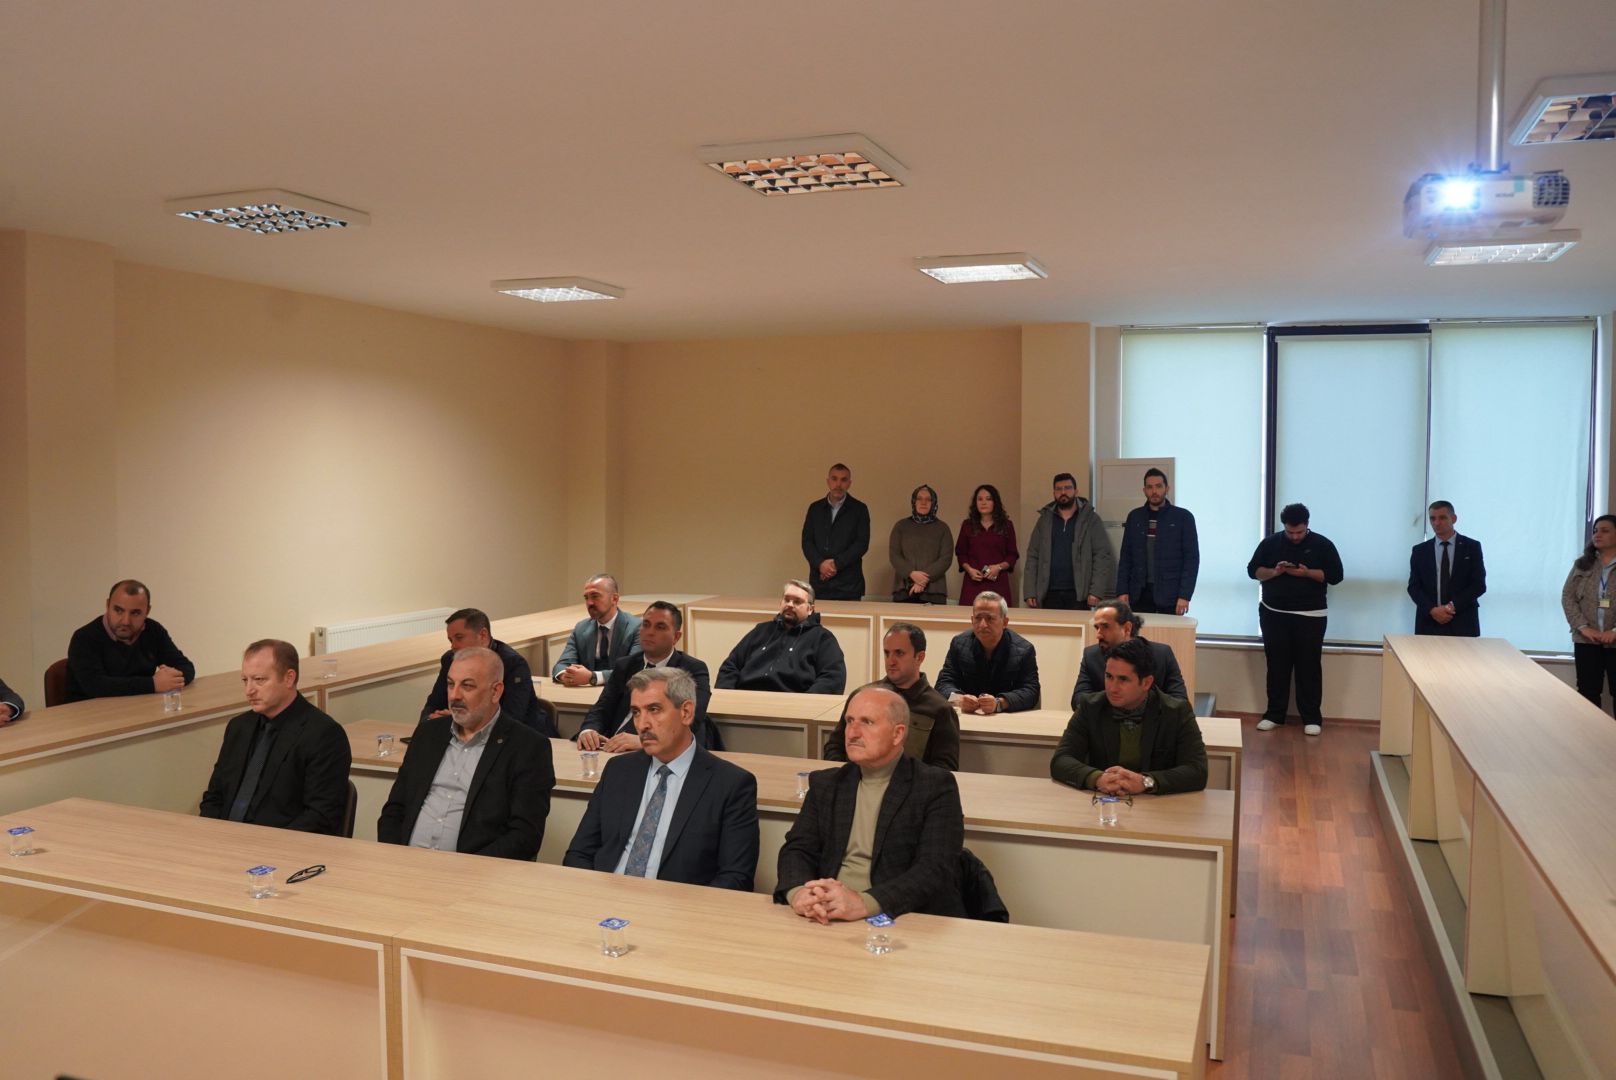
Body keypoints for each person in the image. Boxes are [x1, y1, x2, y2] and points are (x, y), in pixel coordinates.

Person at [776, 685, 964, 921]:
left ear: (897, 734)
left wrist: (864, 903)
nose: (852, 733)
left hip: (900, 916)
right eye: (849, 721)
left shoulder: (935, 786)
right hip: (826, 912)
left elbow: (935, 869)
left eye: (867, 722)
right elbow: (797, 849)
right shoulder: (827, 784)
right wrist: (800, 894)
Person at [564, 667, 759, 890]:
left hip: (679, 905)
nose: (642, 725)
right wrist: (591, 895)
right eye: (636, 712)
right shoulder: (618, 770)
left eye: (654, 710)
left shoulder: (731, 784)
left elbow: (736, 877)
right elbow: (579, 853)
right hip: (605, 895)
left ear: (686, 712)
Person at [379, 646, 554, 859]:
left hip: (475, 871)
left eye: (467, 686)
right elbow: (394, 810)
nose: (454, 696)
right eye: (450, 684)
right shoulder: (428, 735)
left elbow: (525, 836)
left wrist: (468, 869)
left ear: (495, 691)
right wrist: (394, 857)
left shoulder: (528, 747)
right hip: (406, 863)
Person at [199, 640, 351, 834]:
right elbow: (214, 797)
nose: (249, 690)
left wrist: (263, 845)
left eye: (259, 680)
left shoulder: (323, 734)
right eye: (245, 680)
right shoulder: (239, 727)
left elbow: (320, 817)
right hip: (224, 840)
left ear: (289, 678)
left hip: (282, 845)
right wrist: (208, 834)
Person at [1051, 637, 1208, 795]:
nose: (1112, 688)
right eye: (1109, 677)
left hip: (1157, 804)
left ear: (1146, 683)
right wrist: (1097, 778)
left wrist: (1146, 782)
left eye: (1123, 679)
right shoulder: (1090, 707)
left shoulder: (1176, 712)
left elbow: (1197, 770)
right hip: (1104, 801)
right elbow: (1061, 760)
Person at [1247, 503, 1344, 736]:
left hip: (1311, 615)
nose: (1295, 536)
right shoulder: (1270, 543)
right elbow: (1253, 571)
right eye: (1290, 532)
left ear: (1307, 525)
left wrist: (1307, 573)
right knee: (1276, 665)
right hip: (1273, 612)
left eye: (1299, 532)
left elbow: (1336, 576)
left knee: (1308, 666)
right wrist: (1275, 572)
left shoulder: (1323, 544)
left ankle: (1311, 718)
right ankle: (1274, 714)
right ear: (1284, 526)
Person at [577, 601, 716, 752]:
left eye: (660, 627)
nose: (650, 632)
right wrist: (589, 731)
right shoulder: (625, 665)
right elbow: (602, 708)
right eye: (646, 625)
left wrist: (645, 740)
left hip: (661, 754)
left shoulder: (692, 669)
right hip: (612, 748)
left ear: (676, 637)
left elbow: (691, 720)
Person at [823, 623, 960, 770]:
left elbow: (945, 768)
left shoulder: (939, 709)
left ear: (919, 657)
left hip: (911, 783)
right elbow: (834, 747)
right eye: (887, 653)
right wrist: (848, 777)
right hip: (857, 780)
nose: (891, 661)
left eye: (899, 653)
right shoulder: (861, 697)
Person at [65, 579, 196, 703]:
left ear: (147, 611)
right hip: (89, 714)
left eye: (135, 613)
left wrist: (171, 678)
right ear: (107, 605)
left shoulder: (153, 630)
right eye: (118, 610)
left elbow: (186, 667)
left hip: (140, 708)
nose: (126, 621)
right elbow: (95, 686)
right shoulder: (84, 638)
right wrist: (152, 684)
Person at [419, 607, 545, 733]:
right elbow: (433, 704)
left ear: (483, 635)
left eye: (459, 638)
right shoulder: (450, 660)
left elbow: (512, 718)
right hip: (463, 737)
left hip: (522, 738)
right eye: (451, 640)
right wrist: (430, 720)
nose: (453, 646)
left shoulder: (513, 664)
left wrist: (455, 722)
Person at [716, 580, 847, 694]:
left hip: (792, 704)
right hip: (745, 698)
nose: (790, 604)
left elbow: (832, 678)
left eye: (797, 601)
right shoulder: (761, 630)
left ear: (810, 609)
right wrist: (727, 696)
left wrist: (806, 704)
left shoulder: (822, 638)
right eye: (787, 599)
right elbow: (730, 666)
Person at [1070, 600, 1187, 709]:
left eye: (1105, 627)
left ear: (1127, 628)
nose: (1098, 635)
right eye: (1097, 628)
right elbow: (1078, 701)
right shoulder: (1091, 656)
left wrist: (1138, 711)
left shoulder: (1161, 654)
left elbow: (1180, 701)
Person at [935, 592, 1040, 714]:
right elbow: (943, 683)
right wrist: (959, 699)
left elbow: (1031, 691)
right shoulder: (959, 643)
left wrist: (999, 703)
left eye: (990, 619)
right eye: (978, 618)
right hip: (968, 716)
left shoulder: (1024, 650)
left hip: (1006, 717)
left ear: (1005, 622)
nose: (983, 625)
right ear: (972, 620)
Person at [1023, 473, 1114, 610]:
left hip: (1079, 594)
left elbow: (1101, 556)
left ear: (1076, 491)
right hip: (1049, 592)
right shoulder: (1044, 520)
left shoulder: (1090, 519)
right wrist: (1030, 591)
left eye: (1067, 488)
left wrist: (1096, 591)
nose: (1063, 492)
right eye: (1059, 489)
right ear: (1054, 493)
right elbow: (1033, 555)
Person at [1116, 468, 1200, 616]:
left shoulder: (1183, 518)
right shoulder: (1135, 517)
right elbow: (1126, 557)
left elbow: (1191, 560)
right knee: (1139, 631)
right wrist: (1122, 590)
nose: (1154, 491)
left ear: (1167, 488)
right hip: (1139, 594)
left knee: (1168, 631)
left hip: (1171, 594)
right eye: (1150, 487)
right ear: (1144, 490)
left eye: (1159, 486)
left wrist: (1185, 595)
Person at [1408, 501, 1486, 637]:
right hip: (1429, 622)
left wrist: (1451, 607)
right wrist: (1433, 610)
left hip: (1463, 621)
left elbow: (1478, 585)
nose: (1437, 523)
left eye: (1442, 518)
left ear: (1453, 519)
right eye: (1432, 518)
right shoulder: (1420, 551)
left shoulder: (1471, 547)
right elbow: (1414, 587)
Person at [1561, 514, 1616, 708]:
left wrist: (1614, 632)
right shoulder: (1583, 564)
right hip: (1586, 640)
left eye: (1605, 531)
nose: (1597, 535)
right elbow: (1567, 597)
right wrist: (1583, 627)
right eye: (1595, 531)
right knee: (1587, 692)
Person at [552, 574, 643, 687]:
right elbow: (561, 665)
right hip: (587, 693)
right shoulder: (581, 628)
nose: (589, 603)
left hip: (621, 693)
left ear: (614, 599)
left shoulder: (636, 628)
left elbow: (634, 671)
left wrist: (593, 677)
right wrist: (565, 675)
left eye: (595, 596)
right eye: (586, 598)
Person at [801, 462, 870, 601]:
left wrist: (835, 564)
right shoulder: (815, 509)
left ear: (849, 483)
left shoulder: (859, 509)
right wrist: (821, 564)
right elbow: (807, 541)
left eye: (843, 480)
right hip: (819, 582)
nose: (838, 484)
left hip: (849, 585)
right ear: (828, 481)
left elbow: (861, 544)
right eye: (834, 479)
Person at [954, 484, 1018, 609]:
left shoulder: (1007, 525)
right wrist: (969, 570)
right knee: (969, 616)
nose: (983, 503)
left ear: (995, 502)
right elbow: (961, 553)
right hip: (973, 583)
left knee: (998, 617)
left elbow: (1012, 555)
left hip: (998, 583)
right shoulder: (967, 525)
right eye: (980, 499)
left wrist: (998, 567)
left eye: (988, 499)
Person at [889, 483, 953, 603]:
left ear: (933, 503)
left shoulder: (943, 528)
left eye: (928, 499)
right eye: (919, 499)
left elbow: (946, 558)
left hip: (934, 591)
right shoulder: (901, 526)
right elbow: (894, 555)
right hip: (904, 590)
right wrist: (911, 574)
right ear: (914, 502)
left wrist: (922, 580)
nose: (923, 502)